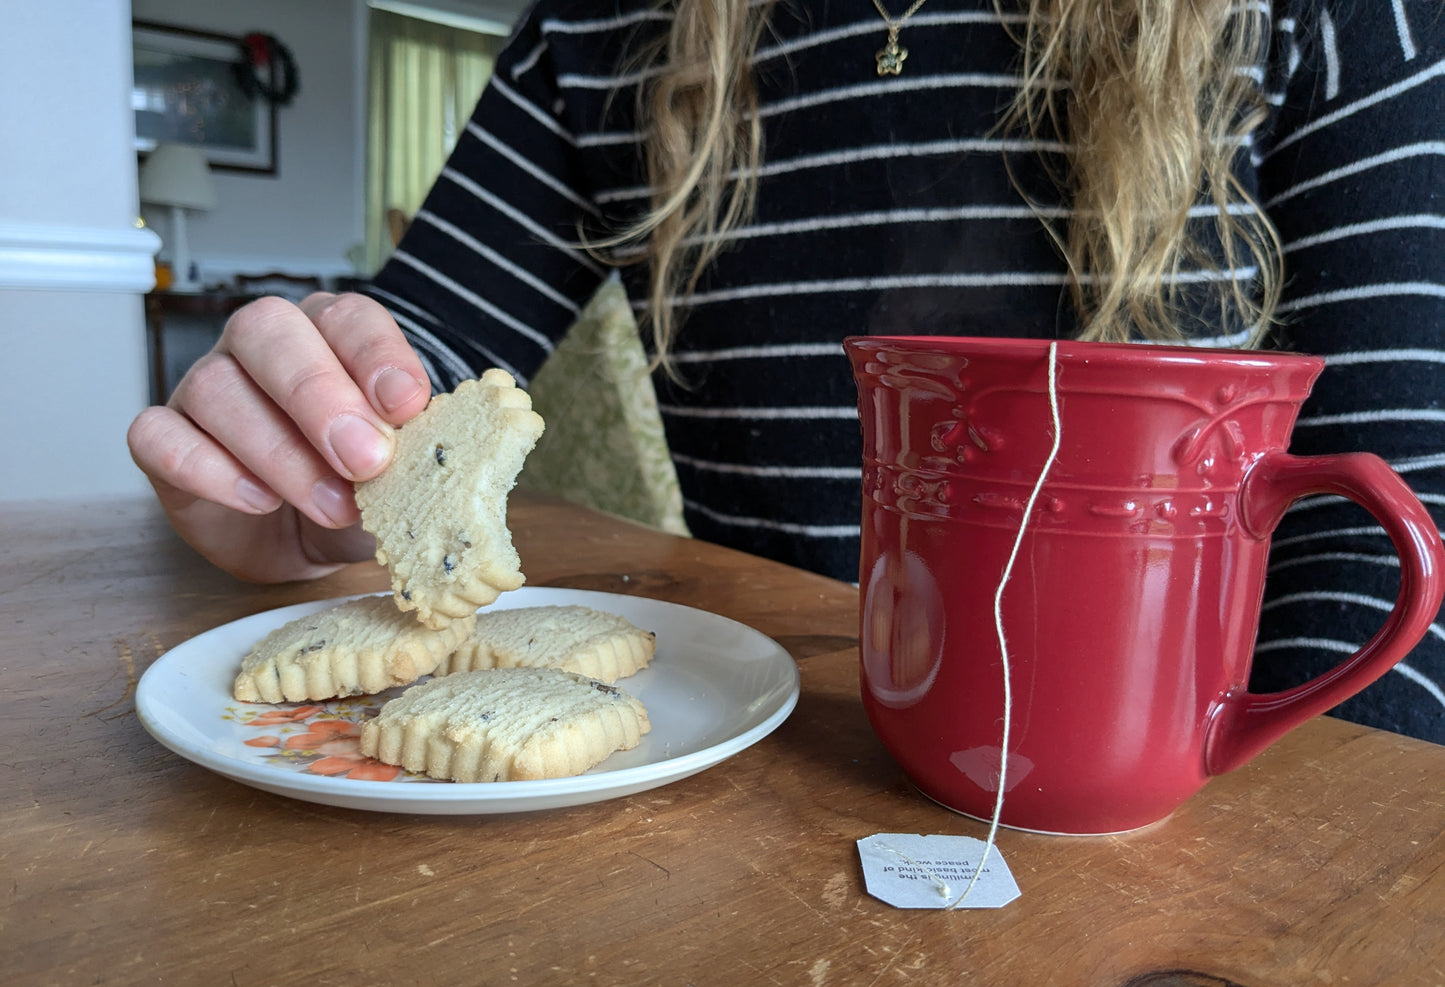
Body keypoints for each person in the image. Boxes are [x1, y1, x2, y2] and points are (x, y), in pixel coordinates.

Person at [128, 0, 1445, 739]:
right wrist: (306, 446)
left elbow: (1400, 529)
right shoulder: (600, 31)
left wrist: (1226, 815)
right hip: (750, 759)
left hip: (1183, 796)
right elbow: (420, 358)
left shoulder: (1338, 17)